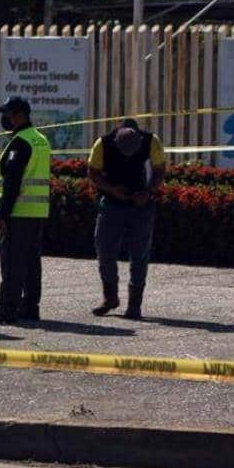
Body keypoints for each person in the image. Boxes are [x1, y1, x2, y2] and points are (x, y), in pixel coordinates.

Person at [88, 119, 166, 320]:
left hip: (142, 206)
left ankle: (134, 306)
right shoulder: (102, 143)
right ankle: (110, 298)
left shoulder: (152, 141)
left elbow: (159, 171)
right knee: (105, 251)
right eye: (125, 152)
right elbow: (93, 173)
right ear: (116, 142)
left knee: (139, 255)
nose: (129, 156)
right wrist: (112, 189)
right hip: (112, 204)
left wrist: (148, 192)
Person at [0, 96, 51, 325]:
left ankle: (8, 309)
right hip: (37, 212)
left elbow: (12, 181)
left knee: (12, 262)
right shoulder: (40, 139)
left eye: (8, 114)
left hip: (18, 212)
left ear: (19, 115)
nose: (5, 118)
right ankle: (31, 306)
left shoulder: (20, 142)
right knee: (32, 262)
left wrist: (2, 214)